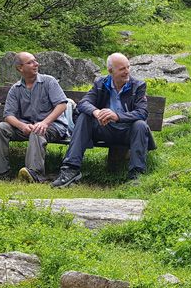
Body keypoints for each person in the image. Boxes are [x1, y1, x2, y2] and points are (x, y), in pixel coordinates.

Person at [51, 53, 155, 187]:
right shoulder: (101, 83)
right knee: (84, 116)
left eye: (128, 67)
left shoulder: (138, 86)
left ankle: (136, 175)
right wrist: (97, 112)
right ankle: (71, 169)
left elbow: (142, 112)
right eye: (122, 69)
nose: (127, 71)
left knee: (140, 125)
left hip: (127, 132)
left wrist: (117, 116)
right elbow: (83, 103)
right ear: (111, 71)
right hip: (104, 129)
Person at [0, 52, 69, 183]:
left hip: (53, 126)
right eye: (30, 62)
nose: (36, 64)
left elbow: (61, 105)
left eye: (35, 61)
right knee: (0, 128)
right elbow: (8, 115)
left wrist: (44, 123)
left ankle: (34, 174)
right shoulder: (16, 89)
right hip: (27, 127)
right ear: (20, 68)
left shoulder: (49, 81)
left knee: (38, 130)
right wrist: (22, 126)